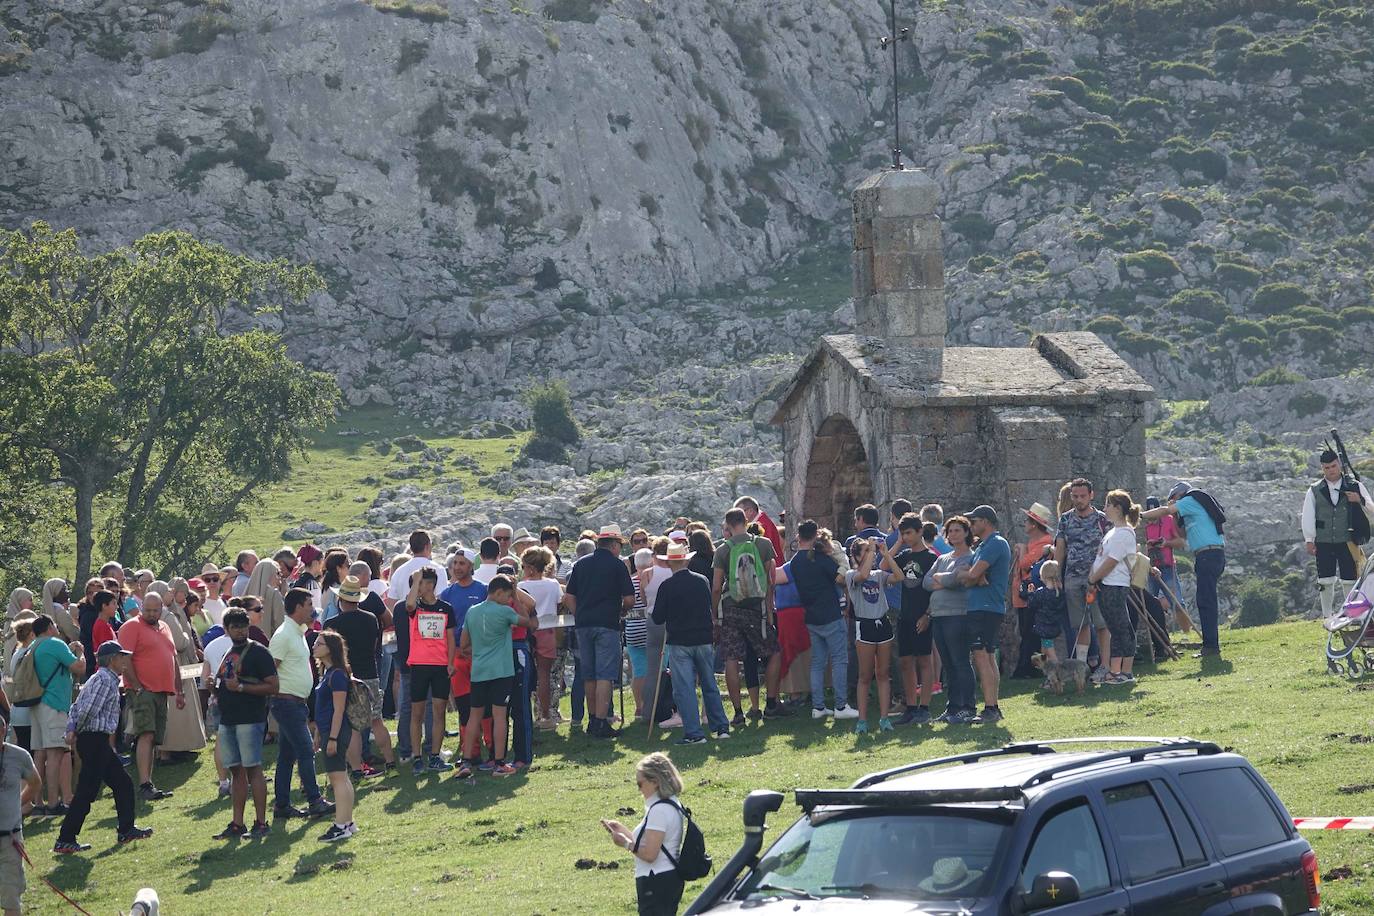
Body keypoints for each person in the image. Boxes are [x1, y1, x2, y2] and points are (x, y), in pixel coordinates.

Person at [53, 642, 152, 854]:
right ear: (111, 659)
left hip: (94, 740)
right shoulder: (106, 680)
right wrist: (75, 730)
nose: (124, 661)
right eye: (120, 656)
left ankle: (126, 829)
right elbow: (88, 710)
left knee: (122, 783)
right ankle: (65, 838)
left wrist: (73, 728)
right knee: (87, 791)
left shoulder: (98, 679)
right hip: (94, 740)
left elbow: (76, 706)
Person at [712, 509, 790, 722]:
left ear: (727, 525)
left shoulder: (722, 550)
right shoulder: (763, 544)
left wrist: (715, 616)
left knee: (731, 658)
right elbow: (769, 582)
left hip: (731, 609)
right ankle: (771, 703)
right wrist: (769, 612)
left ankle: (737, 713)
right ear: (746, 522)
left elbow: (717, 588)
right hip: (757, 609)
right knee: (773, 652)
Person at [455, 576, 537, 778]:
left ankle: (466, 762)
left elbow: (463, 644)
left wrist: (478, 651)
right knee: (500, 716)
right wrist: (517, 600)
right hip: (501, 671)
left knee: (475, 716)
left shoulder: (472, 612)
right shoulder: (505, 611)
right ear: (499, 593)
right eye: (508, 596)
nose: (509, 600)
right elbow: (530, 623)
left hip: (479, 671)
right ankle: (499, 763)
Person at [651, 541, 731, 744]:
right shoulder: (701, 580)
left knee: (684, 688)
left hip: (679, 642)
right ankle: (721, 727)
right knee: (709, 684)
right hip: (703, 639)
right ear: (687, 561)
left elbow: (658, 618)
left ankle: (694, 733)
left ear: (669, 564)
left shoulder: (667, 586)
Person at [210, 608, 278, 840]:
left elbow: (273, 686)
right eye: (235, 626)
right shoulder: (229, 652)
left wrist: (241, 688)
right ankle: (237, 824)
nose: (240, 630)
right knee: (236, 772)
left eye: (243, 625)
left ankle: (261, 822)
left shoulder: (259, 652)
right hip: (229, 719)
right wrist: (213, 686)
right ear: (227, 629)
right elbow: (226, 683)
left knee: (253, 769)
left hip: (250, 718)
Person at [565, 525, 636, 739]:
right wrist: (621, 610)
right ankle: (601, 722)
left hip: (583, 625)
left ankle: (592, 718)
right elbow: (630, 600)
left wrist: (581, 614)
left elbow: (568, 597)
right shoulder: (617, 566)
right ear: (614, 545)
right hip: (607, 624)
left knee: (589, 674)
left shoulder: (580, 564)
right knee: (605, 674)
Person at [269, 588, 333, 820]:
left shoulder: (295, 632)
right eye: (308, 605)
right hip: (286, 703)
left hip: (294, 703)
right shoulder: (284, 634)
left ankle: (282, 805)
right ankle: (315, 800)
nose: (312, 610)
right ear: (297, 607)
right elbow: (270, 669)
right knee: (306, 750)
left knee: (287, 756)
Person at [1144, 481, 1227, 658]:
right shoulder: (1190, 512)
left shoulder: (1191, 499)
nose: (1172, 504)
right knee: (1206, 601)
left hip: (1208, 555)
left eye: (1173, 500)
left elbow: (1165, 511)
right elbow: (1182, 536)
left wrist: (1140, 514)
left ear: (1179, 496)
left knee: (1206, 602)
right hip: (1209, 555)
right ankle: (1210, 645)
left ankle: (1211, 646)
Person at [601, 753, 687, 916]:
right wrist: (623, 831)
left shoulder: (659, 810)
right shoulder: (671, 803)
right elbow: (656, 843)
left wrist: (625, 843)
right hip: (666, 877)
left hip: (655, 880)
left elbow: (650, 854)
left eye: (640, 784)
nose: (639, 789)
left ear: (655, 781)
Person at [116, 595, 184, 801]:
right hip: (142, 690)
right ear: (141, 607)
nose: (151, 614)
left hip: (162, 690)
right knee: (146, 734)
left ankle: (149, 783)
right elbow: (124, 658)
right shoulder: (131, 627)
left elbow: (173, 658)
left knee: (153, 737)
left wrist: (179, 690)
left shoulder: (164, 626)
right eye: (147, 610)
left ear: (161, 608)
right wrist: (136, 686)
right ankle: (145, 784)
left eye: (155, 610)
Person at [787, 521, 856, 719]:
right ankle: (841, 706)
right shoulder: (820, 558)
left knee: (817, 662)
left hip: (811, 616)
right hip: (831, 614)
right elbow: (840, 580)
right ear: (816, 535)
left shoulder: (795, 562)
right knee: (839, 660)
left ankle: (818, 707)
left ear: (798, 536)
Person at [327, 576, 394, 778]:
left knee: (352, 725)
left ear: (341, 599)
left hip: (348, 676)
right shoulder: (371, 618)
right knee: (377, 721)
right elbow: (374, 646)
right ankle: (390, 761)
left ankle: (357, 768)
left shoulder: (333, 623)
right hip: (370, 673)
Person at [1302, 448, 1374, 618]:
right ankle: (1327, 616)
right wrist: (1309, 539)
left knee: (1349, 579)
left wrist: (1359, 500)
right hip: (1323, 541)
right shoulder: (1314, 490)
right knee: (1325, 580)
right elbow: (1308, 515)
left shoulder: (1355, 485)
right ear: (1322, 468)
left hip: (1348, 540)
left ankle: (1349, 613)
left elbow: (1371, 508)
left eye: (1333, 466)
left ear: (1339, 464)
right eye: (1326, 468)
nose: (1331, 470)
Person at [958, 505, 1012, 724]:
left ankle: (990, 707)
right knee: (987, 656)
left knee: (981, 655)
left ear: (986, 522)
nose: (971, 525)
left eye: (975, 520)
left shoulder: (995, 544)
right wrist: (971, 576)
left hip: (985, 607)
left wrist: (971, 576)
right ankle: (993, 706)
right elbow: (968, 576)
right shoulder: (983, 546)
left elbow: (971, 574)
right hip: (983, 606)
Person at [883, 515, 938, 725]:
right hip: (905, 616)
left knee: (924, 660)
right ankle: (911, 707)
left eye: (908, 533)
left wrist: (927, 615)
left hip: (923, 615)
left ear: (919, 531)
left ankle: (924, 708)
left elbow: (934, 591)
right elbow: (884, 565)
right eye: (902, 533)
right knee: (905, 662)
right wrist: (897, 542)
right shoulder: (904, 556)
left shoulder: (932, 558)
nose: (906, 537)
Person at [400, 567, 456, 774]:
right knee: (417, 713)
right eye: (416, 584)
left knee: (439, 711)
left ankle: (434, 756)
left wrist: (451, 662)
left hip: (441, 665)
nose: (417, 587)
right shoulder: (415, 608)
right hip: (419, 665)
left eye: (421, 583)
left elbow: (450, 638)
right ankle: (416, 757)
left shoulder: (446, 608)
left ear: (431, 584)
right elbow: (409, 604)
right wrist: (415, 580)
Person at [29, 615, 85, 816]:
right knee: (55, 753)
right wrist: (80, 652)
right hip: (54, 704)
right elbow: (79, 668)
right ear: (50, 627)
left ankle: (38, 802)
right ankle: (53, 803)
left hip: (35, 704)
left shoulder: (32, 646)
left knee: (40, 753)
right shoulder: (54, 643)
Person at [924, 516, 977, 724]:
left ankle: (968, 706)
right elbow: (926, 582)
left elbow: (957, 581)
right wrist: (944, 579)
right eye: (950, 530)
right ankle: (953, 707)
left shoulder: (970, 557)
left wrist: (941, 579)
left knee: (960, 661)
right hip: (939, 615)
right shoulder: (943, 558)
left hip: (958, 615)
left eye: (957, 530)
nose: (953, 534)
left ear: (966, 533)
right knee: (948, 664)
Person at [1055, 478, 1110, 673]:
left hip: (1098, 579)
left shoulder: (1103, 520)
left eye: (1082, 496)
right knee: (1080, 625)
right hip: (1072, 578)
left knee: (1102, 623)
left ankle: (1105, 665)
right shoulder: (1065, 519)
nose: (1079, 500)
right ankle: (1081, 666)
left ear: (1091, 495)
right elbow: (1060, 547)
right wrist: (1056, 573)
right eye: (1075, 496)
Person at [1087, 490, 1142, 685]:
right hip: (1106, 585)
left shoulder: (1125, 533)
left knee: (1120, 629)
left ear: (1118, 508)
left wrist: (1093, 577)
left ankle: (1122, 671)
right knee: (1116, 628)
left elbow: (1111, 561)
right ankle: (1116, 670)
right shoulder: (1113, 532)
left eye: (1108, 505)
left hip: (1115, 585)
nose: (1105, 508)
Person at [847, 538, 897, 734]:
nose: (871, 554)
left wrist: (886, 555)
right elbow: (863, 574)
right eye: (866, 551)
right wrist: (869, 551)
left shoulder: (878, 574)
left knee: (883, 673)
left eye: (871, 551)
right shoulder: (852, 575)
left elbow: (899, 577)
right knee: (865, 676)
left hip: (882, 624)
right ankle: (862, 721)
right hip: (865, 625)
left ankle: (884, 719)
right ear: (857, 556)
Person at [311, 631, 357, 842]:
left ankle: (340, 825)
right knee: (342, 777)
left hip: (336, 730)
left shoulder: (337, 675)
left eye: (319, 644)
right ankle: (347, 822)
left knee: (337, 779)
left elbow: (338, 710)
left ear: (330, 648)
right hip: (329, 730)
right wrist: (320, 733)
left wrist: (332, 738)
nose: (314, 646)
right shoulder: (329, 673)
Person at [1, 709, 42, 914]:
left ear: (5, 729)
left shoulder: (18, 756)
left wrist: (16, 805)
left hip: (10, 840)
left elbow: (35, 783)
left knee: (11, 900)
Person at [518, 547, 562, 729]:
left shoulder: (521, 587)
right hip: (548, 630)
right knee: (544, 675)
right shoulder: (553, 585)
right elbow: (560, 603)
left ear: (529, 567)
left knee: (525, 676)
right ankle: (545, 715)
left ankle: (526, 714)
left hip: (527, 631)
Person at [1011, 503, 1055, 678]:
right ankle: (1028, 668)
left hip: (1032, 595)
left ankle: (1027, 669)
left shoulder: (1044, 543)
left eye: (1027, 521)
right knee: (1026, 632)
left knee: (1030, 633)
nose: (1024, 523)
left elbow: (1025, 564)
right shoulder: (1035, 543)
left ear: (1034, 524)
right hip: (1024, 595)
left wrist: (1022, 551)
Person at [1144, 496, 1189, 627]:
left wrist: (1166, 543)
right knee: (1150, 603)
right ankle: (1156, 632)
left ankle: (1186, 631)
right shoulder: (1141, 526)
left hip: (1167, 567)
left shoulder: (1168, 521)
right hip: (1149, 569)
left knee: (1177, 601)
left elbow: (1181, 542)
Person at [387, 530, 448, 603]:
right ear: (427, 546)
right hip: (430, 613)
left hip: (405, 612)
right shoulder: (438, 569)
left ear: (411, 548)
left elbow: (391, 603)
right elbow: (442, 598)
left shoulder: (399, 572)